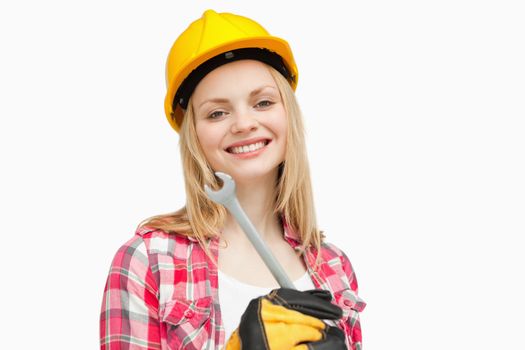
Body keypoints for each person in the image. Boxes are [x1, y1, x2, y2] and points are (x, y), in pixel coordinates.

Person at [100, 9, 366, 350]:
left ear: (288, 114)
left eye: (263, 102)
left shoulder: (333, 267)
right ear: (193, 134)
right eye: (217, 113)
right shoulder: (149, 261)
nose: (243, 123)